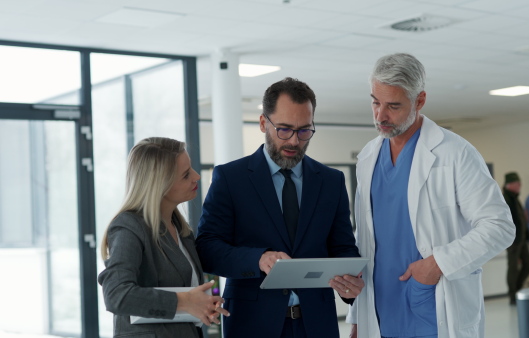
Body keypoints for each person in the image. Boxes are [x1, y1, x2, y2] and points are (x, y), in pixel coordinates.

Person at [347, 53, 515, 338]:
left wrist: (436, 265)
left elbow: (499, 227)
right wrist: (356, 315)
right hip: (380, 309)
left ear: (420, 100)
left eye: (393, 106)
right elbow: (366, 242)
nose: (380, 116)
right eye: (375, 102)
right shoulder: (367, 157)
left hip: (432, 304)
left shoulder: (455, 153)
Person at [195, 77, 363, 338]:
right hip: (252, 325)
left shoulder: (330, 181)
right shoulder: (231, 178)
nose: (295, 141)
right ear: (264, 123)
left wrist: (351, 283)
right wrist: (258, 258)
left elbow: (342, 247)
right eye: (284, 129)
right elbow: (207, 248)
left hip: (317, 325)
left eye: (304, 130)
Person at [98, 137, 229, 338]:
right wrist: (184, 301)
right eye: (186, 175)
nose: (196, 177)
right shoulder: (129, 226)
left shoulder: (180, 228)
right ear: (160, 184)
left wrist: (201, 305)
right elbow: (116, 295)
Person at [503, 172, 529, 305]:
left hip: (521, 239)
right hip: (513, 240)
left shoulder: (515, 198)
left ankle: (518, 289)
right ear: (510, 184)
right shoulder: (506, 199)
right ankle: (513, 295)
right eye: (517, 183)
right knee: (513, 267)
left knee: (528, 264)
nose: (520, 185)